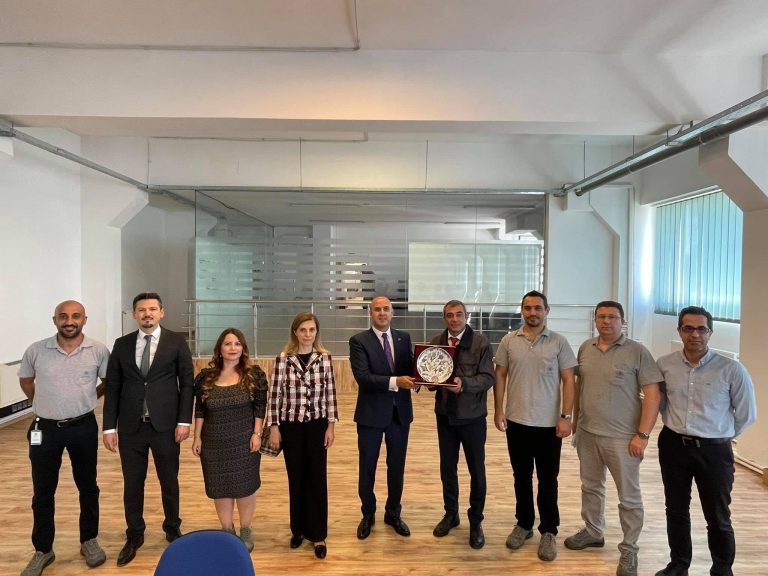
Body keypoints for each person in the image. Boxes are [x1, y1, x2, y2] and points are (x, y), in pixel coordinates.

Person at [654, 306, 756, 576]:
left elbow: (747, 414)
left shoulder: (731, 369)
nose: (695, 334)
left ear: (710, 332)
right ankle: (679, 565)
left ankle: (722, 568)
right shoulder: (664, 365)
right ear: (679, 331)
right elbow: (659, 402)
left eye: (701, 329)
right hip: (673, 446)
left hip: (715, 452)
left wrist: (719, 436)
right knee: (676, 509)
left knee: (717, 515)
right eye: (688, 328)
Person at [565, 301, 662, 576]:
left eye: (612, 317)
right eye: (601, 317)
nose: (606, 321)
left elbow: (653, 395)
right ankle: (593, 531)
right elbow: (580, 386)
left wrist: (642, 435)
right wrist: (576, 423)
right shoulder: (586, 348)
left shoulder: (637, 352)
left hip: (623, 438)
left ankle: (629, 549)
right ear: (595, 320)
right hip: (588, 433)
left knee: (628, 497)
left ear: (623, 321)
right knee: (590, 487)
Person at [102, 292, 195, 566]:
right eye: (142, 310)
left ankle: (172, 528)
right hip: (131, 428)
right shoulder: (121, 344)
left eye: (153, 309)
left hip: (166, 426)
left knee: (169, 481)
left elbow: (187, 383)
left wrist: (184, 421)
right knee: (133, 484)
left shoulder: (176, 342)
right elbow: (113, 387)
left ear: (161, 312)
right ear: (134, 314)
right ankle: (134, 534)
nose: (147, 314)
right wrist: (108, 427)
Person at [18, 301, 109, 576]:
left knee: (88, 486)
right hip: (45, 430)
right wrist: (43, 403)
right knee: (43, 490)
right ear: (54, 320)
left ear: (84, 320)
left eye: (75, 316)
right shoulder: (36, 350)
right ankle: (43, 549)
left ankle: (89, 540)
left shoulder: (98, 350)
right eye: (63, 316)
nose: (69, 321)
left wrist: (89, 398)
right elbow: (26, 381)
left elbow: (108, 382)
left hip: (83, 426)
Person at [493, 290, 577, 561]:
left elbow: (569, 380)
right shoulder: (509, 341)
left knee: (548, 480)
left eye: (537, 308)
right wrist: (498, 410)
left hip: (549, 426)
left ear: (546, 311)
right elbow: (500, 375)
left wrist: (566, 417)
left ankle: (549, 530)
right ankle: (524, 523)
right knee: (521, 477)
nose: (532, 313)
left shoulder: (559, 342)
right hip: (517, 422)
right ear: (522, 310)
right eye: (528, 308)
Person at [266, 312, 339, 559]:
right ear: (295, 332)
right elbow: (275, 395)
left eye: (312, 330)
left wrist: (331, 426)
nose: (308, 334)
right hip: (291, 426)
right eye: (303, 330)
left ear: (316, 332)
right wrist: (274, 427)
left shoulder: (325, 358)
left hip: (317, 424)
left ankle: (317, 534)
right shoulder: (283, 359)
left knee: (317, 479)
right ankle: (297, 530)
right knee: (296, 477)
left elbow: (330, 394)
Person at [191, 328, 267, 552]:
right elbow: (200, 410)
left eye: (237, 344)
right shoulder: (206, 377)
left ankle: (246, 529)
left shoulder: (254, 375)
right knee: (220, 487)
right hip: (213, 443)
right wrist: (197, 437)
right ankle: (227, 531)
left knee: (245, 487)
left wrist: (257, 434)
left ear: (243, 348)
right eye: (228, 344)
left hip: (244, 441)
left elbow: (260, 407)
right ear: (220, 349)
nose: (233, 348)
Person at [349, 295, 416, 539]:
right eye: (377, 309)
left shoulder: (403, 338)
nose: (382, 313)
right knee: (367, 466)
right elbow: (363, 377)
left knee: (396, 466)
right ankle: (368, 514)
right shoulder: (358, 341)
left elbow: (412, 369)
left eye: (386, 309)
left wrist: (426, 378)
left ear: (392, 312)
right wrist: (396, 381)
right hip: (371, 415)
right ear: (370, 313)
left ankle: (393, 513)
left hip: (400, 414)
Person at [428, 300, 494, 549]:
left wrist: (464, 384)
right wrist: (428, 381)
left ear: (466, 316)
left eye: (458, 315)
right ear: (444, 318)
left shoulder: (481, 343)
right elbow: (430, 376)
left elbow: (488, 378)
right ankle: (451, 514)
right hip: (445, 416)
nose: (454, 319)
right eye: (449, 315)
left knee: (477, 471)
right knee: (447, 468)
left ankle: (476, 521)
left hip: (473, 417)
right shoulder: (436, 342)